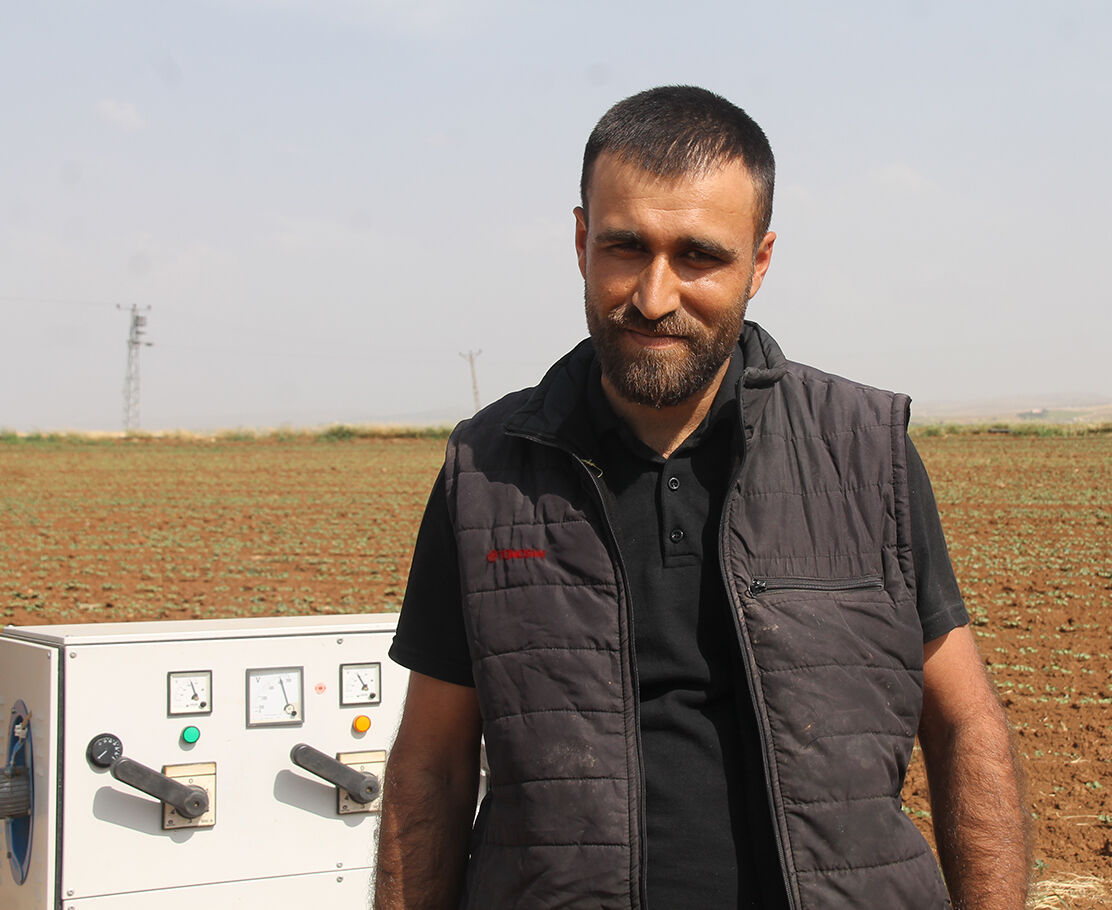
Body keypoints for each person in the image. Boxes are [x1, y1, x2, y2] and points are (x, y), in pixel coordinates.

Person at [374, 85, 1028, 910]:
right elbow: (430, 767)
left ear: (760, 261)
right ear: (580, 241)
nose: (655, 297)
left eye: (699, 257)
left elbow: (966, 726)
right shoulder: (489, 471)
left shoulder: (864, 454)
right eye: (625, 247)